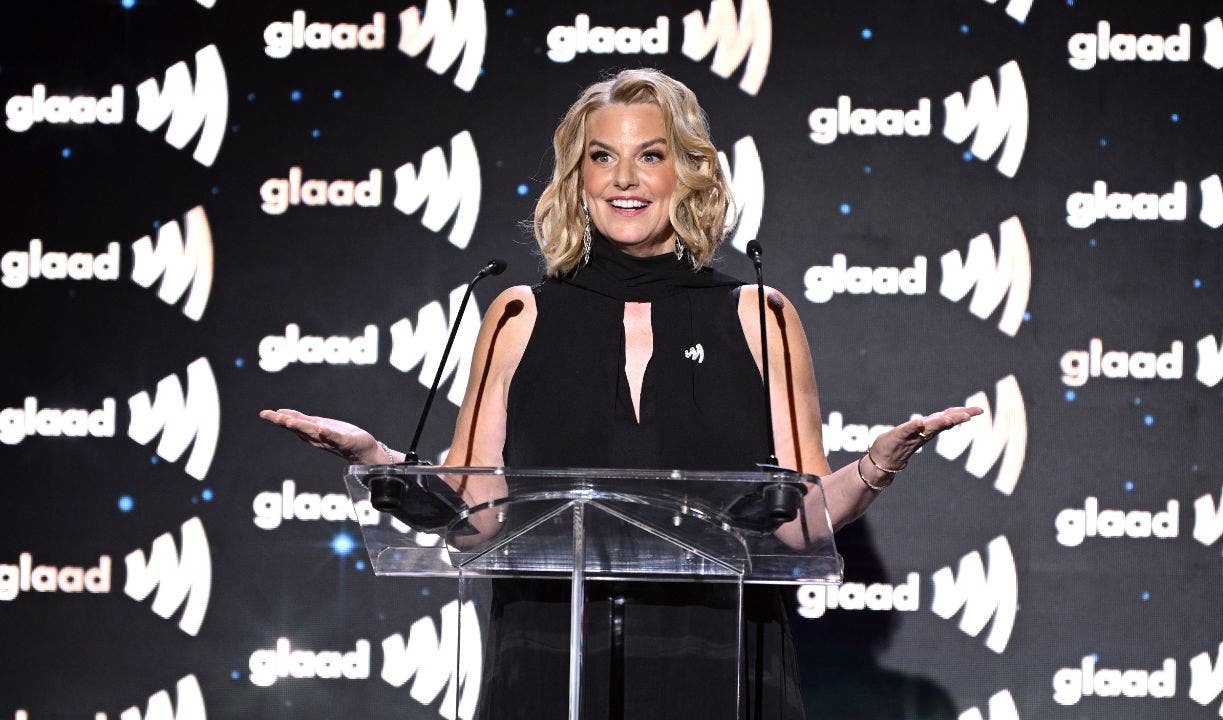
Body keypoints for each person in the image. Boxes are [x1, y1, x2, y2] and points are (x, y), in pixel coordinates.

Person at [262, 68, 981, 719]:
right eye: (601, 157)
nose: (623, 179)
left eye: (650, 155)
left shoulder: (759, 316)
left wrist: (878, 465)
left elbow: (801, 523)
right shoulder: (517, 316)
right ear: (577, 178)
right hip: (548, 665)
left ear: (689, 172)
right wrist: (382, 464)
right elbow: (476, 515)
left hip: (718, 669)